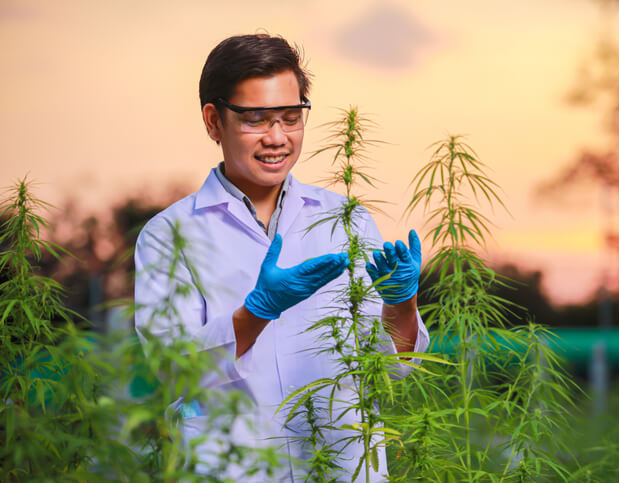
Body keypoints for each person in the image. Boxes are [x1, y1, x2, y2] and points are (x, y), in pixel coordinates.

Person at [134, 34, 429, 481]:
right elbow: (171, 371)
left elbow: (389, 369)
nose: (277, 138)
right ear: (214, 121)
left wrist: (401, 303)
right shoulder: (169, 235)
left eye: (291, 118)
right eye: (256, 119)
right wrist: (256, 312)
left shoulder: (345, 220)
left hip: (344, 468)